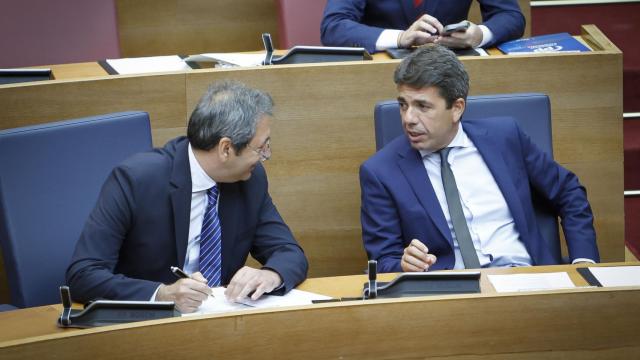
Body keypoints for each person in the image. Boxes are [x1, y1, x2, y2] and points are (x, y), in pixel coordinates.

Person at [67, 80, 308, 313]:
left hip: (220, 320)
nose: (267, 155)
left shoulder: (250, 181)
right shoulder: (136, 180)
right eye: (261, 147)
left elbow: (289, 252)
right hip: (146, 326)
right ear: (226, 148)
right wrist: (161, 294)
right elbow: (83, 275)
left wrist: (270, 274)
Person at [359, 44, 599, 273]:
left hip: (525, 277)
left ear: (457, 108)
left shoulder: (504, 137)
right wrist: (403, 264)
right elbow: (382, 261)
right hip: (450, 293)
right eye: (403, 105)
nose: (408, 118)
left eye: (422, 106)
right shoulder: (380, 172)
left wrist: (584, 261)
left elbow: (568, 191)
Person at [320, 0, 525, 54]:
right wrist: (400, 38)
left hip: (452, 68)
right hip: (381, 73)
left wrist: (480, 34)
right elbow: (334, 27)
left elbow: (511, 16)